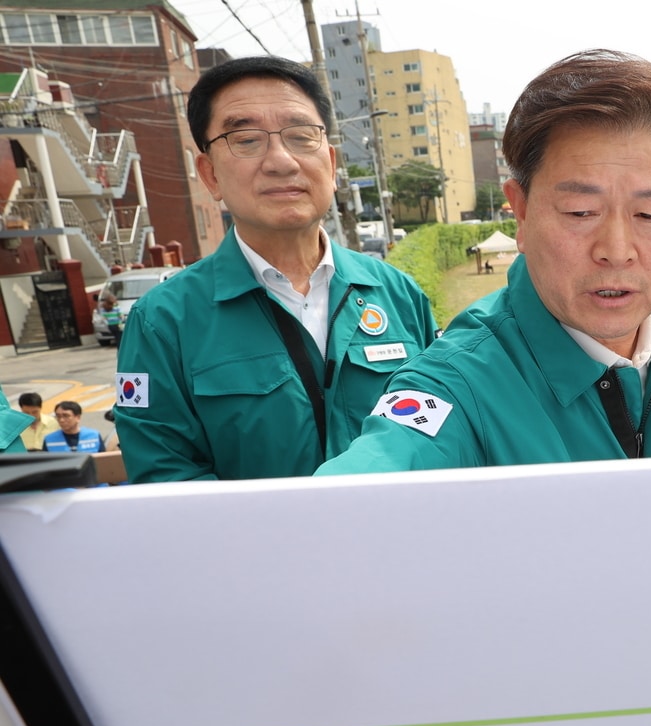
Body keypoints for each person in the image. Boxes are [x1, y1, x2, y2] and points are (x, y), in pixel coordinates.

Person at [318, 49, 651, 474]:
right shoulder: (458, 384)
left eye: (650, 215)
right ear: (521, 212)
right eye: (580, 212)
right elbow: (359, 489)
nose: (617, 249)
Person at [113, 56, 437, 483]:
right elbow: (165, 475)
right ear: (209, 174)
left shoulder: (397, 294)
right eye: (245, 139)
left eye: (302, 136)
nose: (281, 161)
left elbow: (439, 428)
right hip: (252, 549)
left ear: (333, 164)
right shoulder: (162, 321)